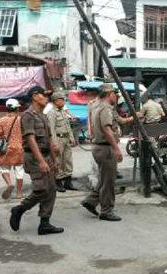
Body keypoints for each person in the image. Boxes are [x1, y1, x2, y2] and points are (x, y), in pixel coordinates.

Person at [9, 86, 64, 235]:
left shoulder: (43, 116)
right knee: (42, 189)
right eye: (44, 95)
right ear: (34, 96)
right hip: (34, 157)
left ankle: (44, 223)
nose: (47, 99)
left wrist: (54, 160)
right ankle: (19, 209)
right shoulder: (28, 115)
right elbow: (31, 139)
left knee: (51, 189)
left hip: (46, 156)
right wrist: (41, 161)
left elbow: (48, 140)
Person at [80, 84, 124, 221]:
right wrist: (116, 148)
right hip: (105, 148)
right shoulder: (105, 108)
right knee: (109, 182)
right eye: (114, 94)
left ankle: (90, 201)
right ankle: (106, 210)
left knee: (104, 179)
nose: (116, 97)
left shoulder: (95, 106)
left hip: (99, 147)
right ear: (109, 94)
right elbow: (106, 129)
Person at [0, 99, 24, 199]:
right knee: (19, 171)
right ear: (17, 108)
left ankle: (9, 184)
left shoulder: (1, 120)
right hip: (19, 149)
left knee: (3, 167)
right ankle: (18, 193)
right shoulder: (21, 120)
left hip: (6, 149)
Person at [47, 92, 77, 193]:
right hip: (58, 139)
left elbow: (68, 126)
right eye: (61, 100)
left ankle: (68, 182)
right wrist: (54, 144)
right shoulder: (52, 113)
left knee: (68, 160)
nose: (63, 102)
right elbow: (51, 130)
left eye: (63, 99)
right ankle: (58, 182)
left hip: (66, 139)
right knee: (58, 161)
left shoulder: (63, 112)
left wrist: (72, 138)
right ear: (55, 101)